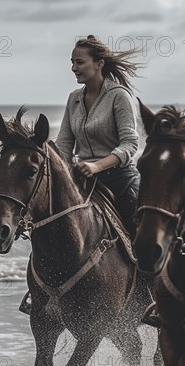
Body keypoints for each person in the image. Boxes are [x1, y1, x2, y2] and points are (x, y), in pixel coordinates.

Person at [56, 35, 141, 238]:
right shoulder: (73, 98)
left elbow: (130, 144)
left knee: (138, 220)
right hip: (81, 178)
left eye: (80, 62)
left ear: (99, 64)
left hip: (119, 178)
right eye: (72, 62)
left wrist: (96, 166)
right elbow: (64, 143)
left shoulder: (119, 96)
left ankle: (144, 269)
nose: (74, 68)